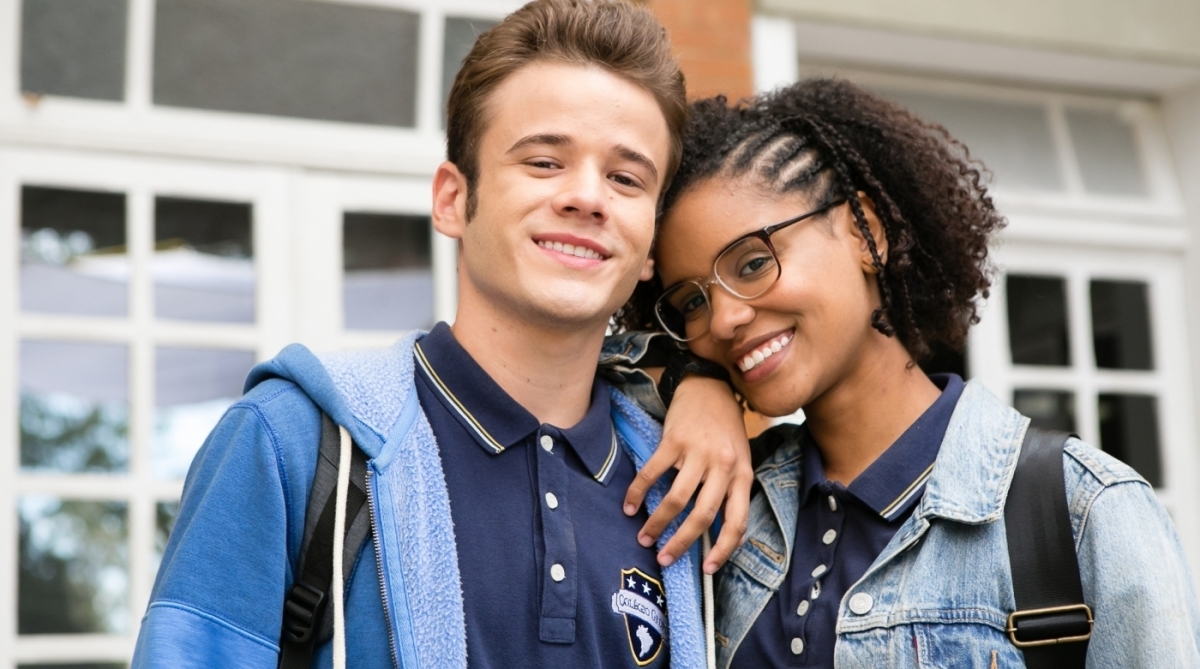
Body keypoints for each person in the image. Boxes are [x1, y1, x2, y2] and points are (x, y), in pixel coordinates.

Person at [131, 2, 754, 667]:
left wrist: (709, 380)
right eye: (544, 162)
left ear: (652, 242)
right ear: (452, 199)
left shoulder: (689, 493)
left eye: (626, 178)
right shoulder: (288, 442)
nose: (588, 197)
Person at [610, 78, 1200, 668]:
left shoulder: (1080, 510)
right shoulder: (725, 502)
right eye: (692, 302)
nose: (725, 319)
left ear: (867, 232)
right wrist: (692, 378)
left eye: (755, 262)